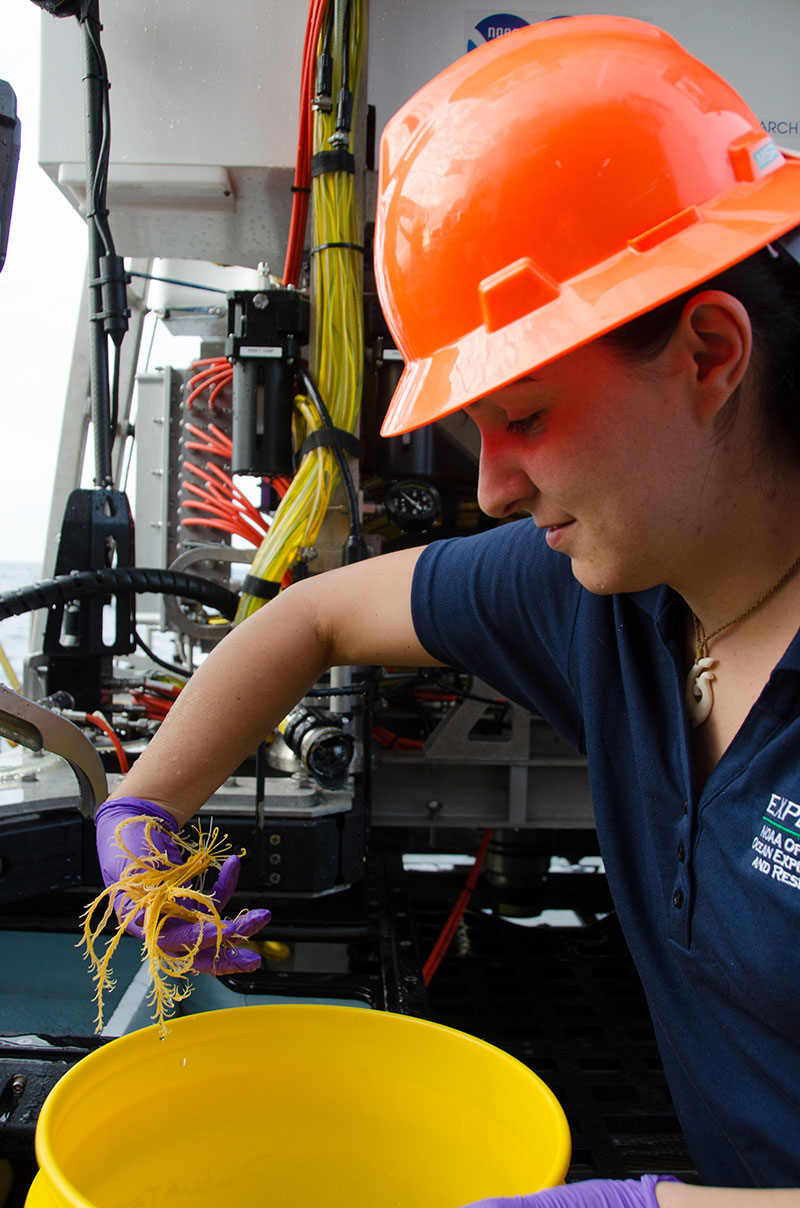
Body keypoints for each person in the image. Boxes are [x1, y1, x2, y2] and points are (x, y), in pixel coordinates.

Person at [94, 14, 800, 1204]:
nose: (488, 486)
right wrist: (141, 812)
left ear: (708, 352)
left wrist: (653, 1204)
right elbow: (306, 617)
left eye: (521, 413)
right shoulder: (605, 598)